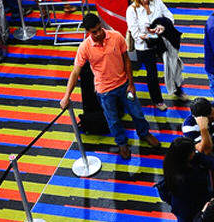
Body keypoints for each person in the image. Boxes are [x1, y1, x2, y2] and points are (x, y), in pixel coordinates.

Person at [59, 13, 161, 160]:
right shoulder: (84, 48)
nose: (99, 33)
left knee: (137, 113)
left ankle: (144, 133)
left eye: (99, 28)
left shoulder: (116, 36)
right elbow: (75, 72)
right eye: (94, 31)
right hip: (105, 91)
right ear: (88, 32)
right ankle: (122, 143)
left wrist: (131, 84)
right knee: (113, 120)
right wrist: (66, 96)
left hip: (124, 85)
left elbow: (126, 59)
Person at [126, 0, 185, 110]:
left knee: (172, 65)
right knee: (152, 74)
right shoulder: (132, 10)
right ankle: (157, 100)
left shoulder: (156, 1)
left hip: (161, 41)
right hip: (145, 46)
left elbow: (169, 16)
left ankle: (178, 90)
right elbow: (134, 32)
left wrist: (162, 27)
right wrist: (147, 34)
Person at [160, 137, 214, 222]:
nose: (195, 152)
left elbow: (200, 157)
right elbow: (200, 194)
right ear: (185, 155)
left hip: (182, 204)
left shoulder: (172, 161)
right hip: (189, 208)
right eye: (192, 151)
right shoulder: (184, 178)